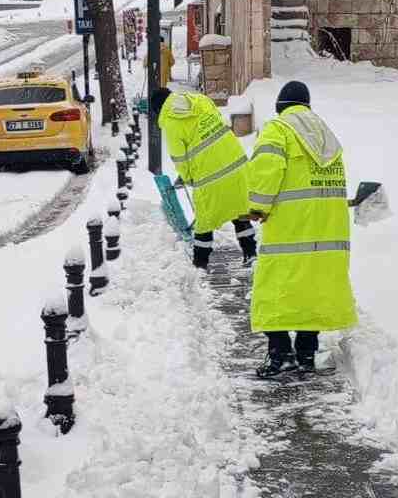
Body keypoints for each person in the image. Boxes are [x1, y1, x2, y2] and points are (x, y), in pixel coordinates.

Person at [247, 81, 357, 378]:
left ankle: (281, 354)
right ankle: (306, 352)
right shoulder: (325, 133)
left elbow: (266, 170)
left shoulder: (279, 129)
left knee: (274, 290)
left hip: (290, 229)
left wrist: (258, 207)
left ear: (280, 107)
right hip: (327, 230)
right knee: (313, 288)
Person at [150, 87, 256, 270]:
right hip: (237, 165)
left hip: (210, 177)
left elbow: (180, 157)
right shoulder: (200, 101)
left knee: (204, 222)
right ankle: (251, 254)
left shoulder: (171, 121)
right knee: (240, 213)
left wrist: (188, 177)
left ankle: (200, 264)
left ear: (159, 109)